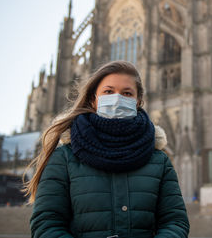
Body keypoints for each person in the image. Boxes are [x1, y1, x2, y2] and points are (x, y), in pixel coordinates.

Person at [23, 60, 190, 238]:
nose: (117, 99)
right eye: (108, 92)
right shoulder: (63, 158)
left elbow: (175, 222)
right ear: (94, 99)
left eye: (127, 93)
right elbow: (46, 225)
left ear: (138, 101)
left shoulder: (158, 160)